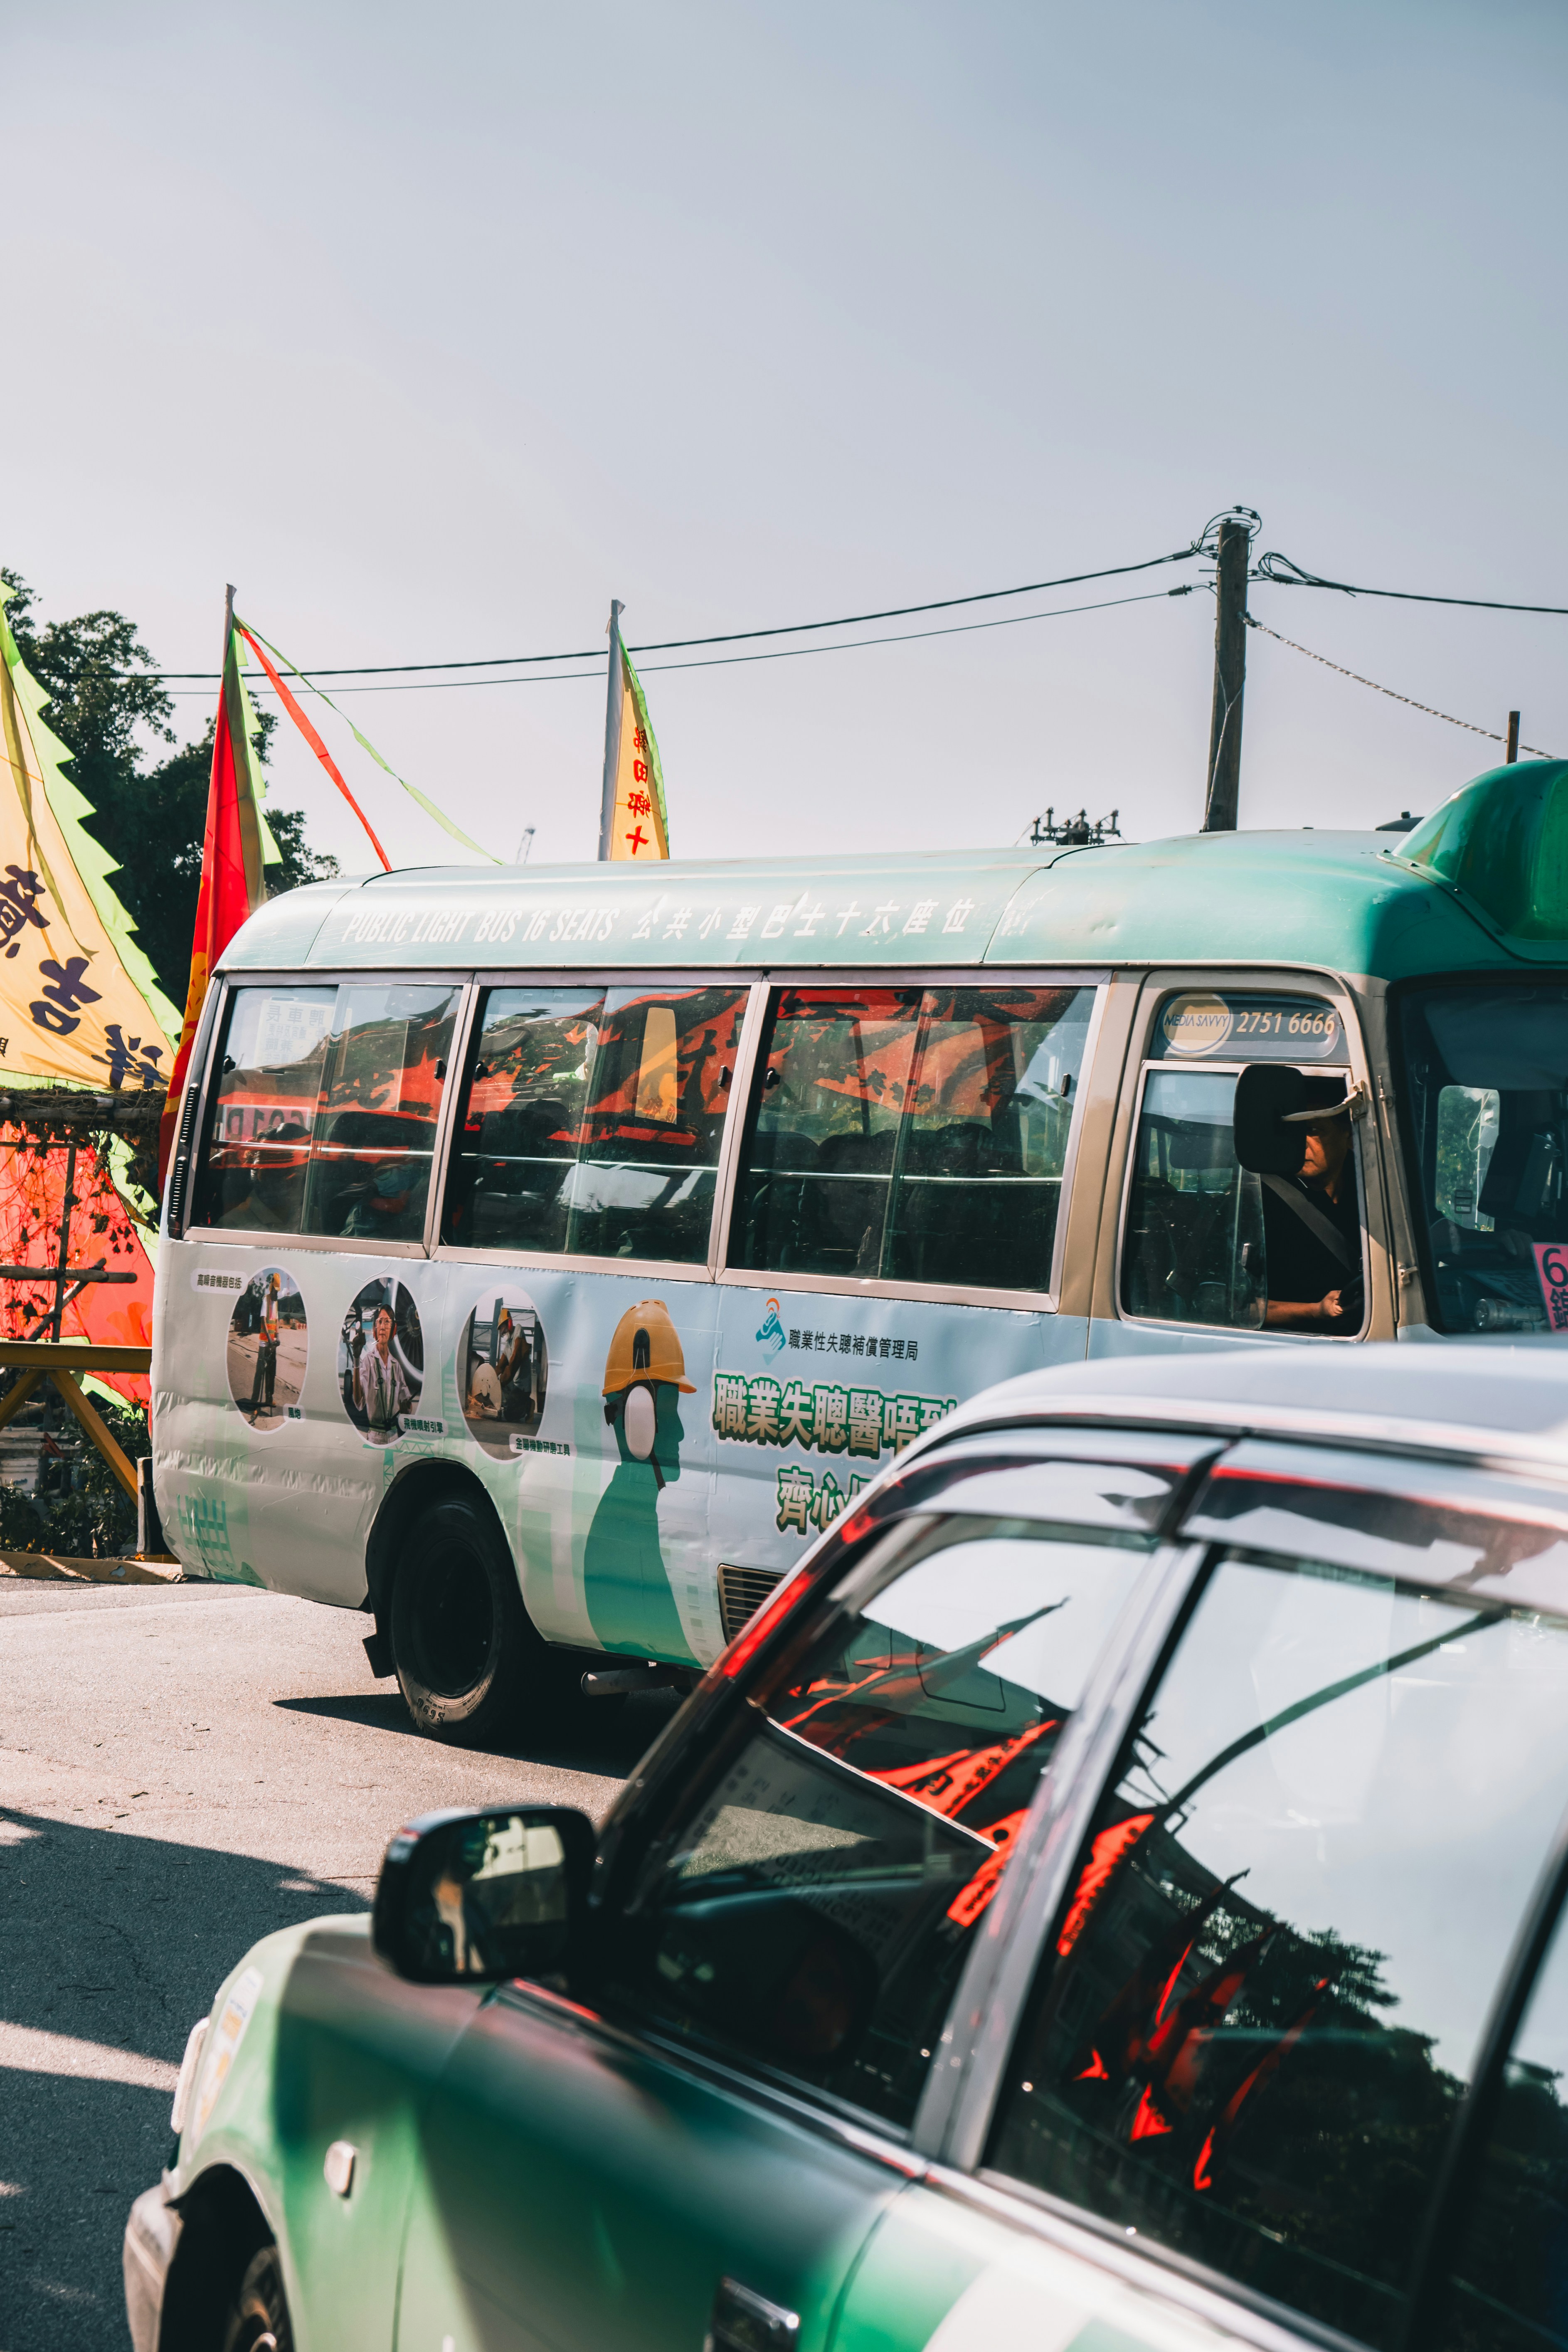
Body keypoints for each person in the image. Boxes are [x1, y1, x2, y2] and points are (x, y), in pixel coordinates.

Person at [1261, 1079, 1362, 1331]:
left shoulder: (1371, 1195)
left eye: (1314, 1130)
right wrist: (1315, 1312)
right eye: (1292, 1131)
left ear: (1349, 1137)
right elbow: (1229, 1305)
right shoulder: (1260, 1201)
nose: (1300, 1141)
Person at [355, 1304, 413, 1438]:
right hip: (375, 1436)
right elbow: (359, 1403)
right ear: (375, 1329)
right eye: (380, 1322)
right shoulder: (368, 1362)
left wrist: (407, 1408)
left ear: (393, 1330)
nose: (383, 1326)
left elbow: (406, 1402)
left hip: (394, 1435)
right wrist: (357, 1359)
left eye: (387, 1322)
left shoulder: (396, 1367)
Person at [249, 1272, 281, 1418]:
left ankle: (269, 1398)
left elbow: (277, 1322)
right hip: (264, 1343)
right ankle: (255, 1403)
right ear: (271, 1289)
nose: (276, 1294)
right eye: (275, 1291)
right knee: (260, 1372)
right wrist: (268, 1339)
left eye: (278, 1292)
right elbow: (263, 1320)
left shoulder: (277, 1303)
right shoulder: (266, 1300)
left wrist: (278, 1337)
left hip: (273, 1344)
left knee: (271, 1373)